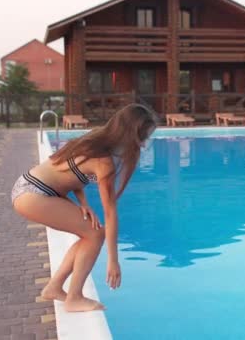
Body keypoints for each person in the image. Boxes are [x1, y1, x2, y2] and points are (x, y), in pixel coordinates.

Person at [12, 104, 157, 312]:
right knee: (96, 233)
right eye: (142, 137)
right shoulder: (103, 161)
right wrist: (113, 261)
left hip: (30, 186)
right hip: (34, 193)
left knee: (89, 232)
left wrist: (84, 203)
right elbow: (110, 212)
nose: (143, 145)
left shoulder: (96, 139)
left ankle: (54, 287)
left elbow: (69, 171)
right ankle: (74, 298)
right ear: (129, 133)